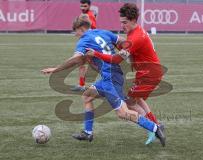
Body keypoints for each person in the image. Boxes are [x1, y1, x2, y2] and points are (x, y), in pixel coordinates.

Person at [41, 15, 166, 147]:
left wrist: (56, 69)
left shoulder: (84, 40)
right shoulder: (103, 32)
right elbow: (123, 42)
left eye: (75, 31)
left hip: (110, 80)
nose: (75, 34)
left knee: (123, 113)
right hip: (115, 74)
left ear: (82, 28)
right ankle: (87, 133)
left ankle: (156, 128)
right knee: (87, 95)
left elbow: (76, 59)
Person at [86, 3, 164, 145]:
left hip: (150, 74)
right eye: (121, 22)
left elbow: (116, 60)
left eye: (125, 22)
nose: (122, 25)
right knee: (137, 100)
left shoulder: (136, 38)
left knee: (130, 102)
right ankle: (156, 125)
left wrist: (96, 53)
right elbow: (128, 49)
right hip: (147, 72)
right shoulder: (134, 32)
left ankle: (154, 128)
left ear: (134, 20)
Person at [71, 0, 97, 92]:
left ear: (89, 6)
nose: (83, 8)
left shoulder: (89, 15)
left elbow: (93, 28)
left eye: (85, 6)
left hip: (90, 44)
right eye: (81, 6)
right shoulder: (83, 15)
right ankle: (81, 85)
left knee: (95, 65)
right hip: (85, 43)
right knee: (81, 64)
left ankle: (111, 81)